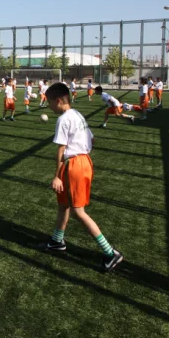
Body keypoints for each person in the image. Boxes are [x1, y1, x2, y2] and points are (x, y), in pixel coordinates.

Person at [40, 82, 124, 272]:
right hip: (83, 161)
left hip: (74, 165)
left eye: (50, 102)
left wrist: (57, 176)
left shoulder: (63, 119)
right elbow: (91, 138)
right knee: (64, 204)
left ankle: (110, 253)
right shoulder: (77, 114)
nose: (49, 107)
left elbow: (60, 150)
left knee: (78, 211)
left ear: (58, 100)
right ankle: (57, 241)